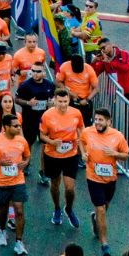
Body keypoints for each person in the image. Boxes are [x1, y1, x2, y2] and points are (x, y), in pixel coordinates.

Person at [82, 108, 129, 256]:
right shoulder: (88, 132)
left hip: (110, 179)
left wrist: (114, 154)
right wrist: (83, 154)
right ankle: (104, 244)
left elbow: (126, 154)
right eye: (96, 119)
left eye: (101, 120)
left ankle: (96, 219)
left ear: (109, 122)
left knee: (105, 206)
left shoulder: (117, 136)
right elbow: (81, 142)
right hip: (93, 177)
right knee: (101, 208)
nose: (97, 122)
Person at [0, 114, 30, 256]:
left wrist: (26, 162)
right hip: (0, 182)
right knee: (2, 210)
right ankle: (2, 230)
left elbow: (27, 155)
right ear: (6, 127)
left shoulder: (22, 141)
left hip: (18, 180)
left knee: (19, 210)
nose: (19, 128)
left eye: (19, 125)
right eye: (15, 126)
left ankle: (19, 242)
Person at [40, 89, 83, 229]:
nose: (63, 105)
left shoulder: (76, 113)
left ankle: (69, 209)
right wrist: (51, 142)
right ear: (54, 100)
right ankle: (57, 208)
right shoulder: (47, 115)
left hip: (71, 154)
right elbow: (42, 136)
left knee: (70, 188)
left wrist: (82, 148)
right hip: (52, 155)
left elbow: (81, 130)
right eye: (60, 102)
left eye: (65, 101)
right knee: (55, 185)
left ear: (69, 101)